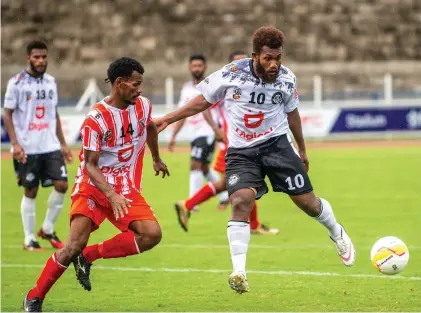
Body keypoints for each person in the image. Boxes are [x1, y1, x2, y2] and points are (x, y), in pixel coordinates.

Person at [154, 26, 356, 294]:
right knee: (240, 201)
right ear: (255, 55)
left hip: (277, 146)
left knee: (307, 204)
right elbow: (202, 101)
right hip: (241, 151)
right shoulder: (231, 73)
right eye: (267, 58)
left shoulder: (287, 79)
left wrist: (302, 149)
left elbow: (293, 113)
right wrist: (168, 118)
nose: (273, 64)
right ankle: (239, 271)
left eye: (278, 58)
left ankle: (336, 231)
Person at [23, 57, 169, 312]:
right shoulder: (96, 119)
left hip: (123, 186)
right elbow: (90, 164)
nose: (140, 89)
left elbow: (151, 129)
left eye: (141, 84)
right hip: (93, 185)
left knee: (151, 235)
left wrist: (156, 158)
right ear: (120, 83)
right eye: (135, 84)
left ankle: (90, 255)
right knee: (71, 247)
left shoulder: (143, 106)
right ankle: (34, 297)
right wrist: (110, 195)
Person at [175, 50, 279, 235]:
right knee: (246, 181)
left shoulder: (250, 86)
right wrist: (216, 130)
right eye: (236, 62)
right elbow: (205, 105)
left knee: (240, 183)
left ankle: (188, 205)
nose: (241, 65)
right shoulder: (227, 87)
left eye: (243, 61)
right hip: (233, 145)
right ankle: (189, 204)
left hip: (246, 144)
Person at [3, 40, 72, 251]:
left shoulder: (51, 81)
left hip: (50, 144)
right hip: (28, 146)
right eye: (36, 57)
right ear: (28, 58)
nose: (41, 61)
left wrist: (63, 143)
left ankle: (48, 228)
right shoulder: (16, 83)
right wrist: (15, 144)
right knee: (31, 190)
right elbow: (7, 113)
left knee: (62, 185)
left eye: (44, 57)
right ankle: (29, 238)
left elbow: (55, 113)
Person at [168, 54, 228, 211]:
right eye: (194, 66)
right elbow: (183, 113)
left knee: (195, 165)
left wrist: (216, 129)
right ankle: (224, 196)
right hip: (194, 133)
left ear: (205, 67)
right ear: (189, 68)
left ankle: (192, 203)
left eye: (199, 66)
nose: (197, 69)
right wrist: (174, 135)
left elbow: (213, 109)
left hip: (207, 132)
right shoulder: (187, 88)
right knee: (204, 168)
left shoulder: (211, 85)